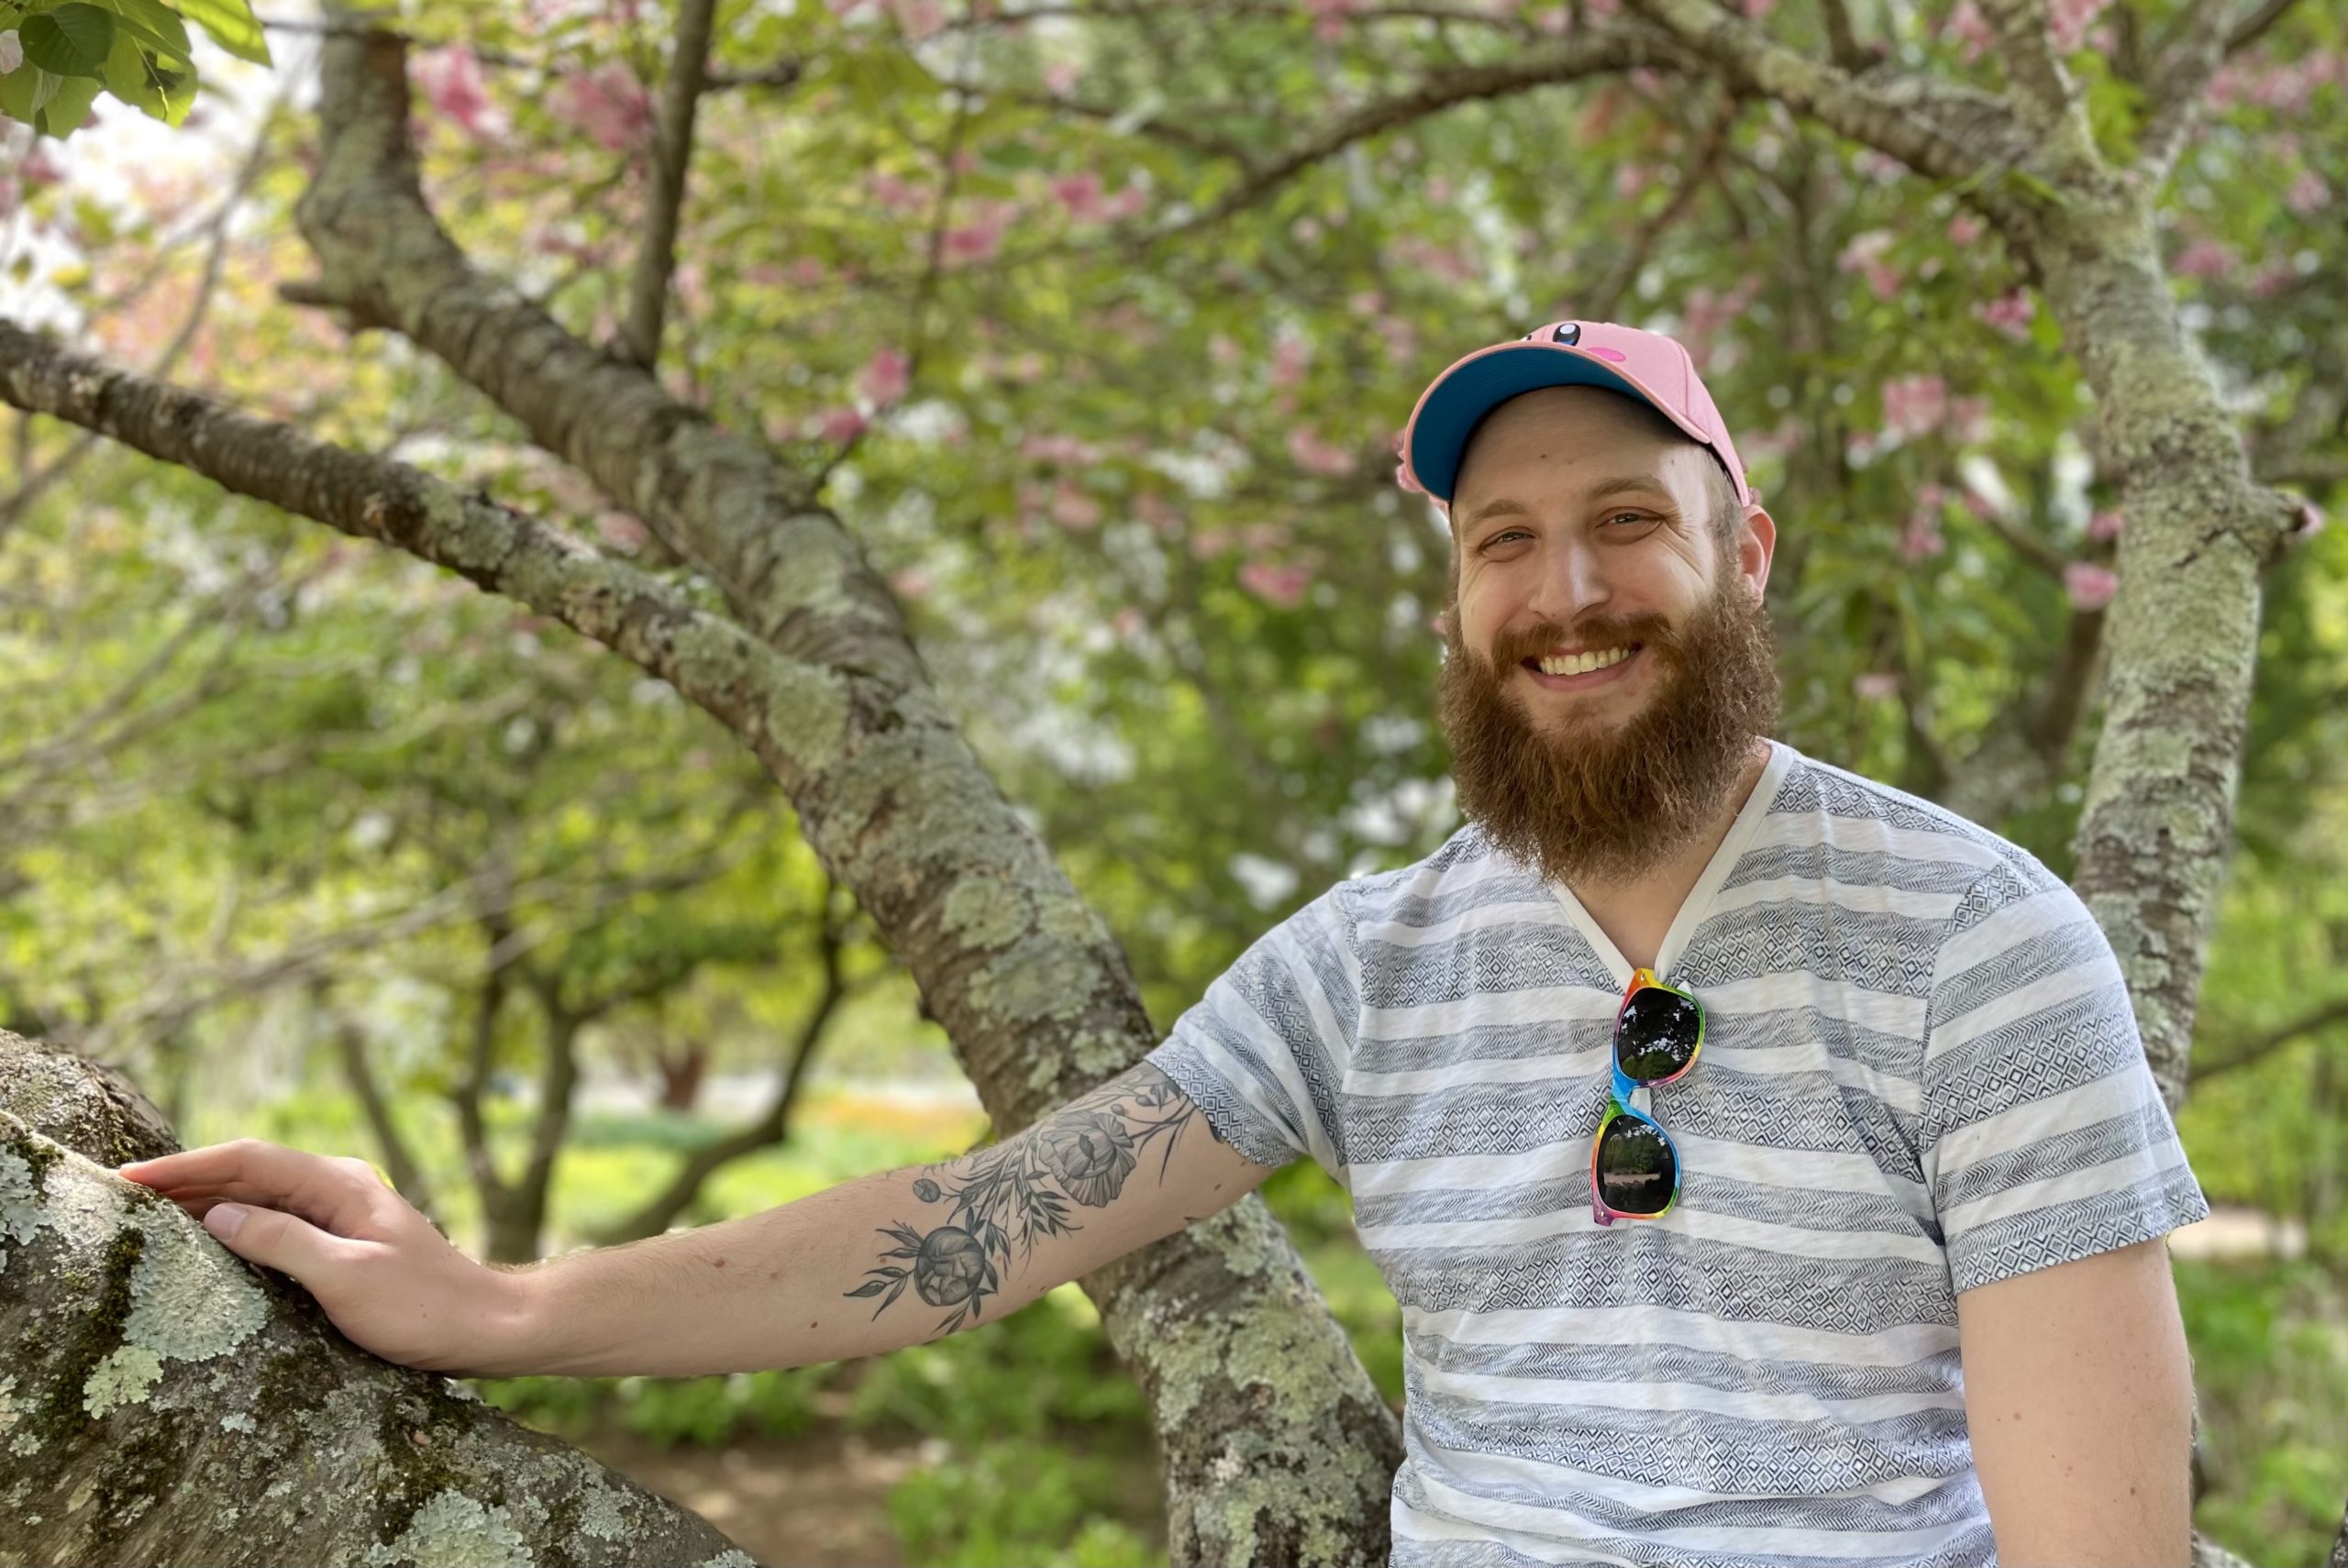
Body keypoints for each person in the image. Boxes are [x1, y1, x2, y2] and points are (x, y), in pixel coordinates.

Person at [120, 319, 2210, 1568]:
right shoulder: (1367, 965)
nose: (1564, 588)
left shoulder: (1974, 943)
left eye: (1625, 522)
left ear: (1742, 553)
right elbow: (972, 1229)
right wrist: (496, 1303)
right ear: (1455, 602)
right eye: (1502, 544)